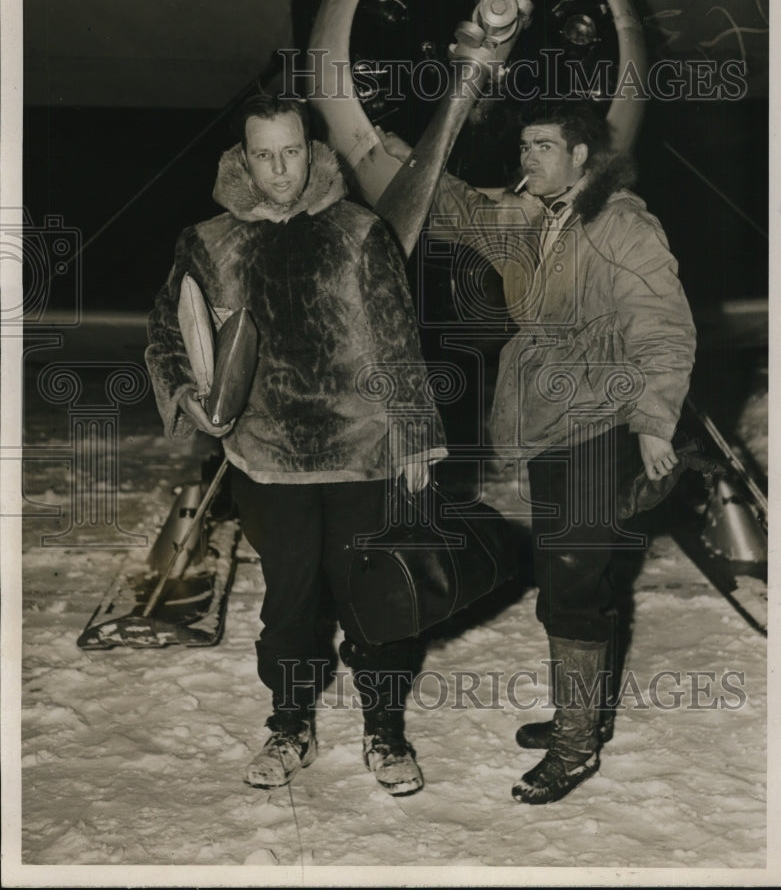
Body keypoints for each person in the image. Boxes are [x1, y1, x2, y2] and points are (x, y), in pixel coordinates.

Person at [378, 102, 696, 803]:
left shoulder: (622, 226)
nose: (527, 158)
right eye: (523, 147)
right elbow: (460, 214)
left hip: (599, 423)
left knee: (573, 586)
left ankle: (577, 746)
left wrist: (651, 422)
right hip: (550, 425)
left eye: (542, 147)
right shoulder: (535, 218)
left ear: (583, 157)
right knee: (569, 576)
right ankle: (574, 713)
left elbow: (662, 326)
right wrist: (407, 152)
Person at [146, 94, 447, 797]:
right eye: (263, 155)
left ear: (312, 151)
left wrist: (415, 442)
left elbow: (398, 340)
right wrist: (192, 398)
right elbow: (169, 332)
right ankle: (289, 725)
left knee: (373, 602)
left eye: (290, 152)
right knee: (288, 603)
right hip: (266, 455)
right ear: (241, 159)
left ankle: (384, 731)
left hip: (360, 450)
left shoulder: (358, 231)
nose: (279, 170)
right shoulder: (208, 240)